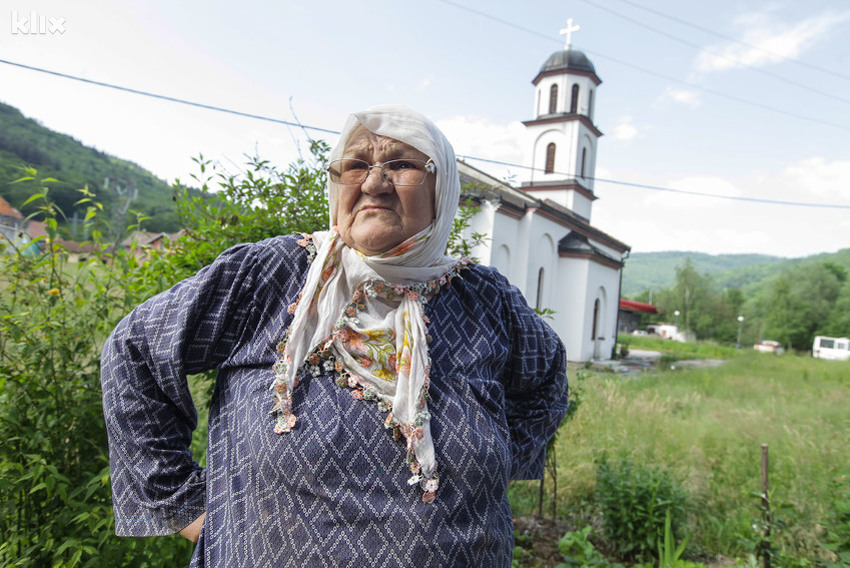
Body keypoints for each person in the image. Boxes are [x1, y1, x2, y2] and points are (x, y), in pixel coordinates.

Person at [101, 104, 568, 567]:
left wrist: (495, 462)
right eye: (356, 165)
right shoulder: (274, 273)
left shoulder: (485, 300)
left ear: (441, 185)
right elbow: (136, 350)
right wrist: (183, 504)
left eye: (401, 165)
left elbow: (546, 383)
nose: (373, 183)